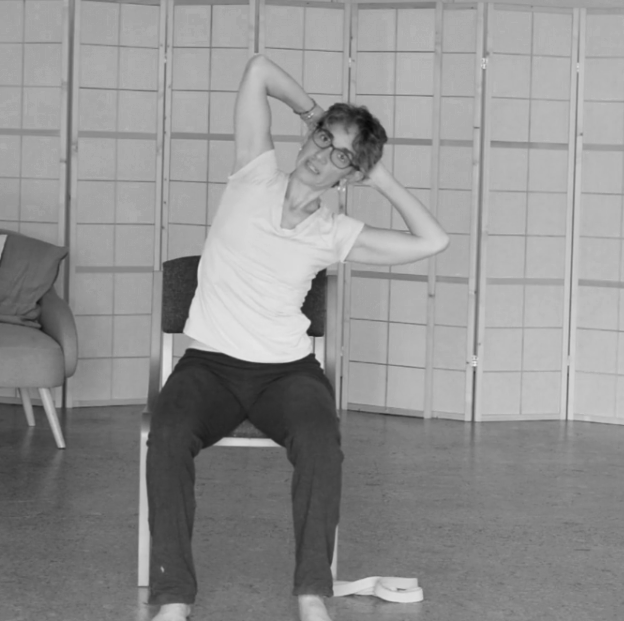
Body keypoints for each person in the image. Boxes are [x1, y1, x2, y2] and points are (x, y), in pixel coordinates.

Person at [146, 54, 449, 621]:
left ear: (349, 176)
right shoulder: (252, 172)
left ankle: (313, 592)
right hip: (208, 365)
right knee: (166, 433)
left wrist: (378, 175)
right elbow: (259, 69)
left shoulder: (337, 232)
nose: (320, 156)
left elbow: (433, 241)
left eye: (341, 156)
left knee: (320, 444)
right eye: (320, 139)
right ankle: (173, 597)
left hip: (286, 373)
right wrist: (313, 112)